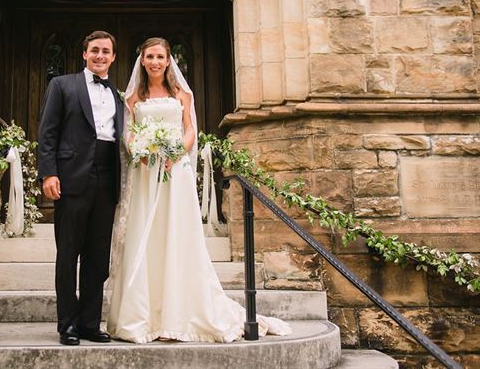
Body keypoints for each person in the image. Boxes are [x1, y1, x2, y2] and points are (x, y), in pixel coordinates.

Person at [106, 37, 292, 343]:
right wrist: (139, 149)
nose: (154, 61)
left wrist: (177, 151)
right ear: (142, 61)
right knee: (146, 236)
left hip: (174, 173)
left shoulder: (181, 93)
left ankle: (178, 315)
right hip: (144, 174)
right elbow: (127, 133)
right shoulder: (132, 98)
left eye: (160, 57)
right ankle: (142, 317)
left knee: (176, 236)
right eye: (149, 56)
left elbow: (190, 128)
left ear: (168, 61)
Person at [38, 30, 124, 346]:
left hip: (107, 176)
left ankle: (90, 322)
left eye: (106, 51)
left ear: (113, 57)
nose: (100, 56)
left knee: (97, 257)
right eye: (95, 51)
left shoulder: (118, 94)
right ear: (84, 54)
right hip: (72, 176)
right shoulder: (62, 85)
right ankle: (68, 325)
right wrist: (48, 173)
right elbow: (47, 132)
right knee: (68, 253)